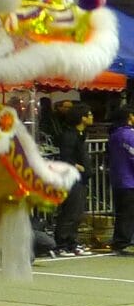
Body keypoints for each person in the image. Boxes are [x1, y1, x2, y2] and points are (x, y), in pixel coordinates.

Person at [48, 106, 92, 256]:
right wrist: (76, 166)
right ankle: (62, 243)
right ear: (82, 118)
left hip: (81, 179)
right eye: (89, 114)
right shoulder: (69, 135)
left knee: (77, 212)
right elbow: (66, 157)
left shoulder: (80, 134)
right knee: (69, 212)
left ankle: (72, 242)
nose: (92, 117)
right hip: (71, 179)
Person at [108, 106, 134, 255]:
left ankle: (120, 241)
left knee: (123, 212)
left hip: (119, 178)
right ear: (129, 117)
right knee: (128, 213)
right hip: (129, 179)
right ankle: (123, 242)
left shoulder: (114, 134)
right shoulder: (129, 135)